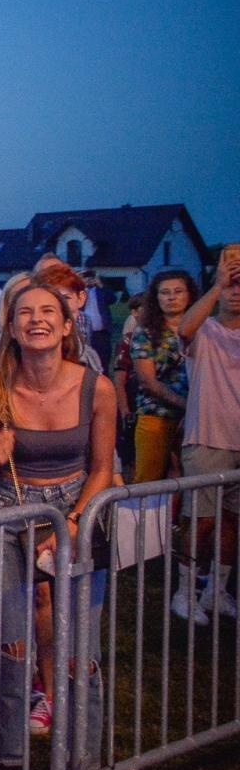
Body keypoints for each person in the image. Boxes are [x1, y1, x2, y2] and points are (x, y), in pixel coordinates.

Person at [0, 283, 115, 770]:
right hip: (10, 515)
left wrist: (70, 523)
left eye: (49, 312)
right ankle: (9, 762)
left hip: (78, 513)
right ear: (13, 326)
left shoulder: (96, 388)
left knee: (81, 653)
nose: (37, 319)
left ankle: (83, 767)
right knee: (12, 646)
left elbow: (103, 468)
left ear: (67, 326)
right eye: (26, 312)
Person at [173, 254, 240, 623]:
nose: (236, 292)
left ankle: (218, 590)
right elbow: (184, 329)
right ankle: (184, 592)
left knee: (231, 521)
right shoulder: (206, 329)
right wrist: (217, 284)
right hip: (207, 436)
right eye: (232, 285)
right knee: (201, 521)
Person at [129, 270, 196, 486]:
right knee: (148, 482)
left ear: (189, 295)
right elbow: (148, 382)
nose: (171, 297)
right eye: (165, 292)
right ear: (156, 298)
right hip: (155, 415)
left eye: (178, 291)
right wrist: (186, 405)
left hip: (198, 419)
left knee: (193, 480)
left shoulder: (205, 328)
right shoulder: (145, 332)